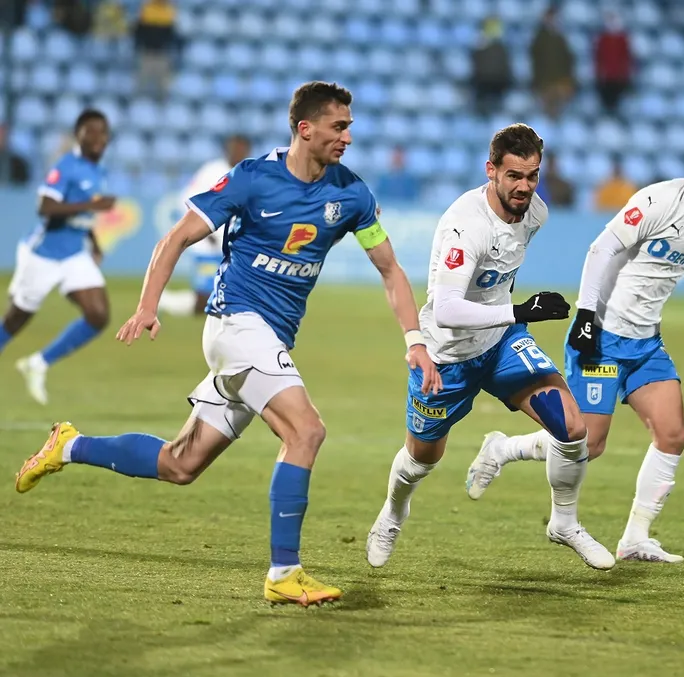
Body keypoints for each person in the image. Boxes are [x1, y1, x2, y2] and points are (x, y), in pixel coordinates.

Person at [15, 82, 443, 607]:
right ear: (305, 129)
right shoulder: (252, 179)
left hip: (266, 339)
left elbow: (390, 269)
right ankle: (284, 572)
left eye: (349, 127)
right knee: (306, 431)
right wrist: (147, 305)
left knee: (180, 463)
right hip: (235, 326)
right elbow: (175, 238)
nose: (348, 137)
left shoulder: (351, 194)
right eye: (339, 126)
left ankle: (68, 445)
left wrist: (414, 340)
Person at [465, 119, 684, 565]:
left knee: (673, 435)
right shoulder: (658, 201)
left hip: (646, 344)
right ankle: (504, 448)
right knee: (589, 445)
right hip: (602, 337)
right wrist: (586, 314)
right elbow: (601, 249)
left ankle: (635, 538)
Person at [366, 123, 616, 572]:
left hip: (501, 343)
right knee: (421, 460)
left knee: (572, 427)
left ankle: (564, 523)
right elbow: (446, 309)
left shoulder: (535, 213)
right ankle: (393, 513)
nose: (524, 187)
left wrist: (513, 315)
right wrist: (520, 310)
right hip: (446, 358)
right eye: (514, 176)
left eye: (532, 176)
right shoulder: (467, 227)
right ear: (491, 170)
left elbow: (503, 275)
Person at [1, 109, 116, 405]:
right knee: (16, 319)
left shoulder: (99, 171)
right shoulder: (66, 166)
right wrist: (92, 205)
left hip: (74, 253)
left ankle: (38, 363)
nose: (98, 137)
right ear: (78, 135)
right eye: (91, 131)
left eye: (102, 132)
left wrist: (94, 243)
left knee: (98, 315)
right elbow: (46, 207)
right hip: (43, 253)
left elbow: (84, 214)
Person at [159, 134, 253, 316]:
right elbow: (186, 198)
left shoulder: (249, 172)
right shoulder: (212, 171)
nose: (238, 152)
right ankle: (166, 301)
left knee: (228, 297)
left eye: (242, 149)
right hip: (207, 244)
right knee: (205, 300)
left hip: (232, 245)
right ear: (227, 150)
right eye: (235, 148)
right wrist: (204, 231)